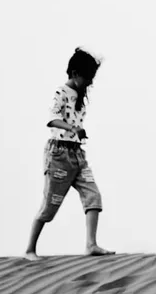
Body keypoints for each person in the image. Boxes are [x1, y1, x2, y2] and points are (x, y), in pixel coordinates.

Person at [25, 47, 114, 260]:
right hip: (59, 155)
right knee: (49, 206)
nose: (90, 82)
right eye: (87, 77)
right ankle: (30, 249)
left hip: (77, 155)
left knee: (93, 196)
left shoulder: (80, 94)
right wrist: (72, 129)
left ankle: (91, 245)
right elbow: (52, 118)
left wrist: (77, 135)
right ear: (75, 73)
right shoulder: (61, 92)